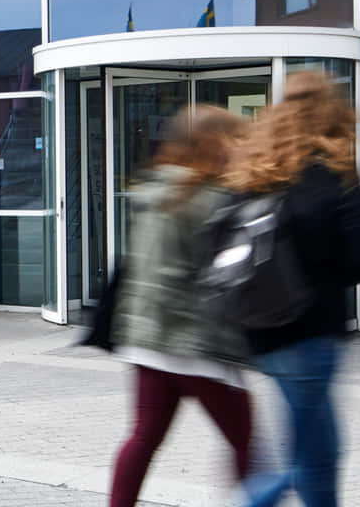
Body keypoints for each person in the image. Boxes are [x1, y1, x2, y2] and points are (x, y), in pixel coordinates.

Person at [232, 71, 360, 507]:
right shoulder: (333, 176)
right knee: (310, 459)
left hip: (259, 334)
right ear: (334, 114)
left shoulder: (256, 170)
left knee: (321, 450)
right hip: (310, 335)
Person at [107, 106, 254, 507]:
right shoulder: (209, 201)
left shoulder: (156, 192)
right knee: (250, 447)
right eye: (237, 140)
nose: (242, 148)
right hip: (195, 345)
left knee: (143, 437)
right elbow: (228, 276)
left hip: (148, 340)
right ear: (217, 144)